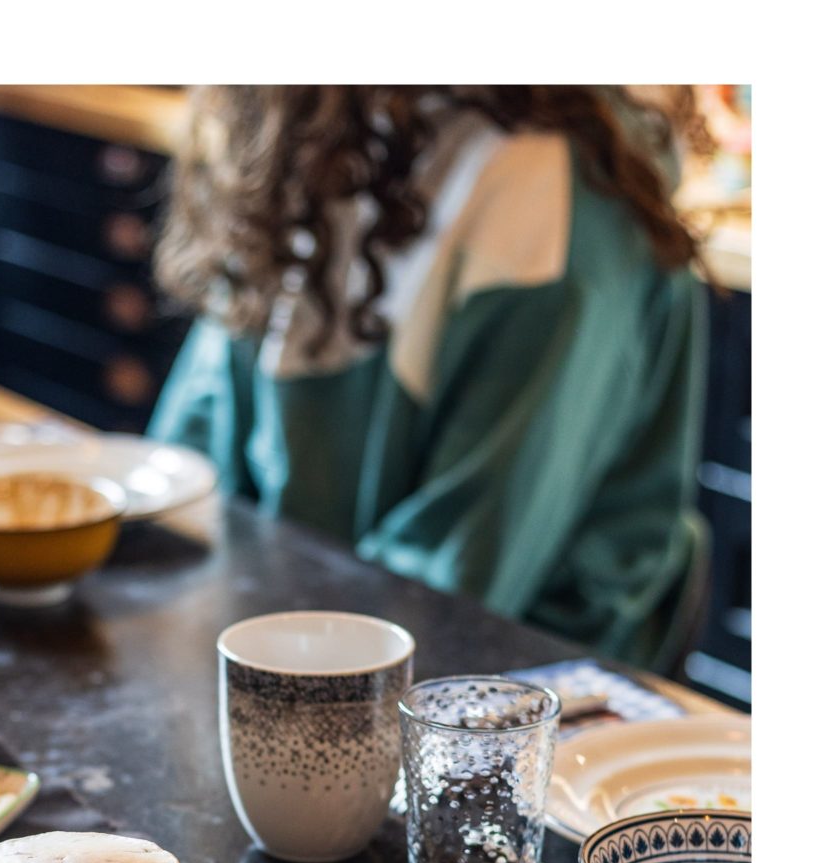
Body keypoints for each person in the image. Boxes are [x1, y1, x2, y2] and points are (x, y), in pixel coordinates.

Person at [148, 87, 714, 666]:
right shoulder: (306, 126)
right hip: (303, 627)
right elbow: (190, 456)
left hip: (509, 682)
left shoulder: (546, 197)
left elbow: (465, 572)